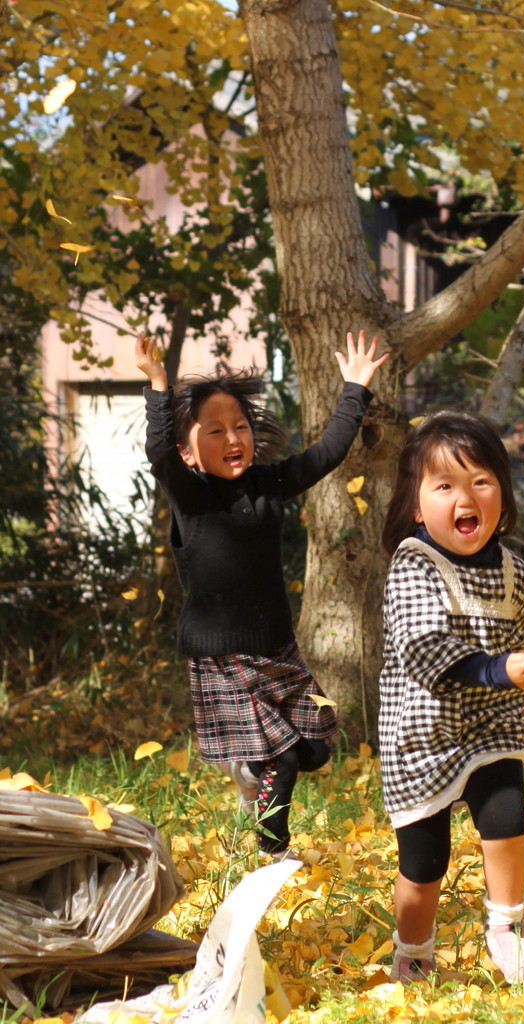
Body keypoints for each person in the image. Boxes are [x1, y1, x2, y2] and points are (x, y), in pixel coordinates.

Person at [135, 328, 388, 857]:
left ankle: (250, 768)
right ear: (188, 452)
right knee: (286, 760)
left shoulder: (268, 485)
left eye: (241, 427)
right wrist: (158, 386)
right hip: (223, 655)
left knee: (316, 745)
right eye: (215, 431)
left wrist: (355, 389)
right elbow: (157, 451)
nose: (233, 440)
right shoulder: (192, 497)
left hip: (276, 646)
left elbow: (326, 454)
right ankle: (272, 848)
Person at [378, 411, 524, 985]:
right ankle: (414, 954)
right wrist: (499, 670)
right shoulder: (414, 564)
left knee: (507, 815)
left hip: (491, 731)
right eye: (444, 485)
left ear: (502, 496)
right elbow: (423, 648)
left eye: (480, 481)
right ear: (419, 507)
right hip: (422, 741)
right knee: (424, 865)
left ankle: (507, 928)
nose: (464, 497)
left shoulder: (512, 572)